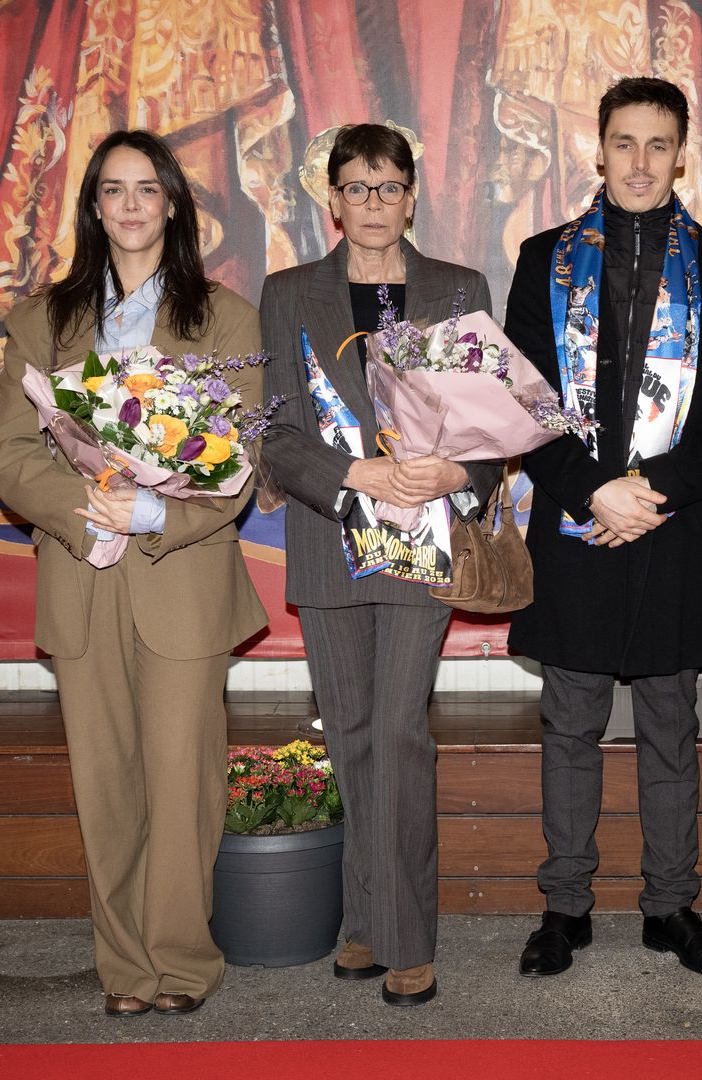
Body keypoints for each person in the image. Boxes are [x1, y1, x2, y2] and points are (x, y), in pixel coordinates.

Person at [0, 130, 267, 1016]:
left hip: (179, 576)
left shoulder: (224, 318)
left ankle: (181, 964)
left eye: (149, 189)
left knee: (183, 783)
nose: (133, 205)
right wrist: (83, 510)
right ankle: (126, 973)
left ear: (175, 204)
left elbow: (237, 462)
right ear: (95, 208)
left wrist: (149, 510)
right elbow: (10, 450)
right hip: (79, 573)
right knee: (104, 784)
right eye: (115, 190)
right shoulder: (43, 320)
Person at [505, 77, 702, 979]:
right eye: (625, 143)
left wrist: (650, 492)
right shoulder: (543, 259)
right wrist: (591, 493)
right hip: (577, 527)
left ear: (681, 152)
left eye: (659, 145)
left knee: (670, 724)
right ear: (599, 148)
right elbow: (522, 404)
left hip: (674, 522)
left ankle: (671, 907)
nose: (641, 162)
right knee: (569, 722)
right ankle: (564, 907)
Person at [259, 124, 498, 1007]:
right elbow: (277, 433)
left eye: (388, 187)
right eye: (356, 189)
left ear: (412, 193)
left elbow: (494, 424)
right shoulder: (287, 294)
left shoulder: (458, 288)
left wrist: (460, 472)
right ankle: (363, 919)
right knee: (350, 735)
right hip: (334, 539)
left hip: (423, 540)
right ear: (332, 198)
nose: (372, 204)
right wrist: (351, 475)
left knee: (399, 733)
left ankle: (406, 937)